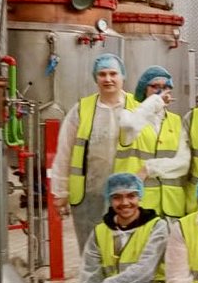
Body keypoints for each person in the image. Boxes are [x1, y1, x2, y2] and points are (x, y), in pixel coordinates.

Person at [50, 53, 152, 251]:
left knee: (129, 252)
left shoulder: (138, 109)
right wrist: (60, 191)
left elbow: (154, 151)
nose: (108, 79)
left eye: (113, 73)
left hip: (129, 195)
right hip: (90, 195)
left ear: (123, 76)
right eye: (102, 74)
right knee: (93, 252)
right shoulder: (81, 110)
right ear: (95, 78)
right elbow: (65, 152)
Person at [117, 65, 190, 218]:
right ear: (144, 88)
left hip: (172, 207)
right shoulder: (129, 117)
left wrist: (149, 169)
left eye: (165, 87)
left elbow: (183, 162)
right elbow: (129, 125)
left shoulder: (177, 121)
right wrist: (155, 102)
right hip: (139, 205)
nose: (160, 91)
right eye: (155, 86)